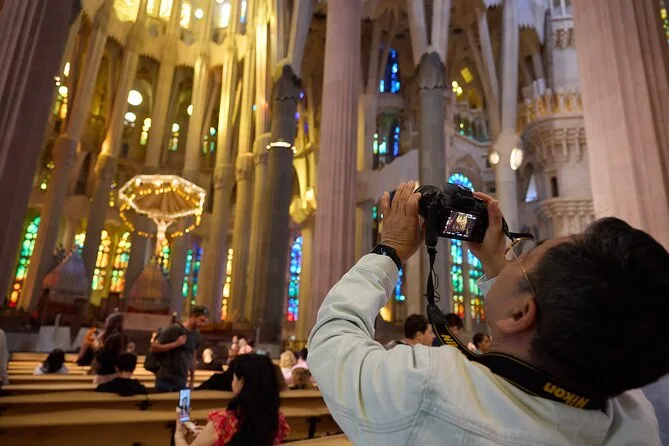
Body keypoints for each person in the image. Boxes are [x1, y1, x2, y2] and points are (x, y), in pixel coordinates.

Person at [308, 181, 668, 444]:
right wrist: (497, 263)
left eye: (524, 256)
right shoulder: (632, 416)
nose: (513, 258)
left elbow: (331, 344)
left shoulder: (427, 389)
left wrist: (390, 251)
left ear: (520, 315)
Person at [175, 354, 290, 445]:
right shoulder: (276, 421)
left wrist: (179, 434)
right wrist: (211, 434)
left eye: (234, 377)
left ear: (241, 382)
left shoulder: (224, 422)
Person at [151, 306, 209, 393]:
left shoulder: (197, 335)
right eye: (201, 320)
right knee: (165, 402)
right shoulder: (174, 329)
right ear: (193, 316)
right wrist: (176, 344)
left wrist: (192, 380)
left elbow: (193, 357)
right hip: (165, 379)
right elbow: (154, 347)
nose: (203, 324)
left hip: (182, 380)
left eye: (205, 321)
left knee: (184, 402)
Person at [93, 312, 129, 385]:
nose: (105, 324)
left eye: (107, 322)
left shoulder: (113, 338)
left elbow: (103, 357)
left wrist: (97, 344)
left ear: (111, 323)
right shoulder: (123, 336)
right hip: (116, 372)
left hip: (105, 373)